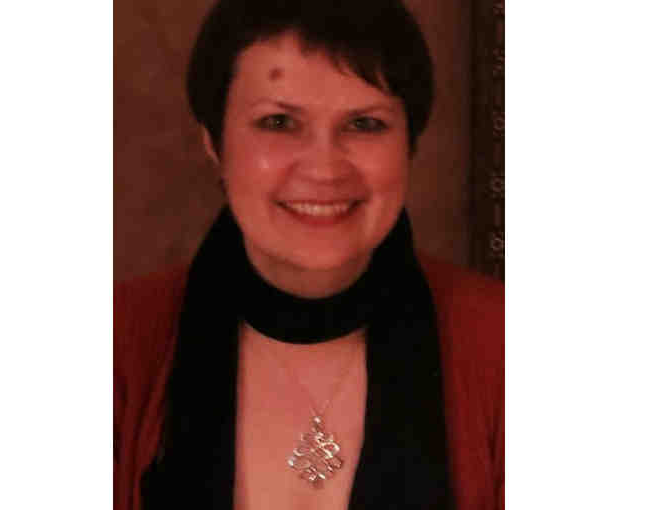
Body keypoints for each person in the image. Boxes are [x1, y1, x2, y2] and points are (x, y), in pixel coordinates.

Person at [114, 0, 504, 509]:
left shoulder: (506, 343)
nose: (324, 169)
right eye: (278, 122)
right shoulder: (114, 343)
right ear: (214, 142)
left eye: (365, 124)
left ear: (410, 144)